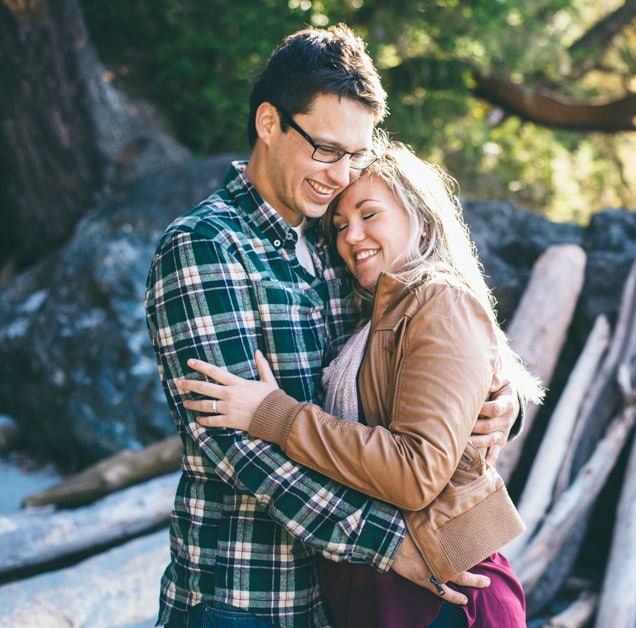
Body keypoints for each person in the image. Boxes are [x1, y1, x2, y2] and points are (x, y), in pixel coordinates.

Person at [145, 25, 520, 627]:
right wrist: (386, 544)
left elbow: (411, 365)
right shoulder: (206, 245)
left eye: (356, 155)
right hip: (243, 596)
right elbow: (234, 443)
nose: (342, 174)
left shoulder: (336, 244)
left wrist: (496, 404)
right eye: (326, 149)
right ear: (269, 122)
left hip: (340, 602)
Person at [178, 142, 544, 627]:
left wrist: (274, 414)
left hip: (443, 589)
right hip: (378, 586)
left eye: (370, 214)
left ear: (421, 215)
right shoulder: (369, 313)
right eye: (340, 225)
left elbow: (416, 472)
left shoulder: (437, 301)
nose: (353, 236)